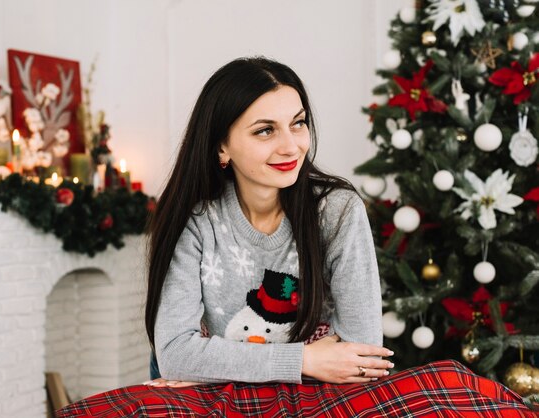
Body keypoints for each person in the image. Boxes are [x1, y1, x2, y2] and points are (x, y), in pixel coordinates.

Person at [57, 57, 537, 417]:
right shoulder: (196, 219)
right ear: (221, 146)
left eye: (299, 123)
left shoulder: (337, 210)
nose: (292, 146)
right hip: (217, 399)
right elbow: (175, 354)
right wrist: (305, 357)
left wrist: (219, 361)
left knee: (453, 389)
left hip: (315, 398)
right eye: (265, 131)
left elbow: (362, 356)